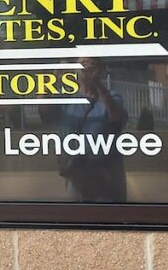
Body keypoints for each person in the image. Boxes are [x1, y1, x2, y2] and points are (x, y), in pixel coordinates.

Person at [42, 57, 127, 202]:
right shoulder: (67, 99)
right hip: (76, 174)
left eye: (92, 63)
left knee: (113, 217)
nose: (87, 67)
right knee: (79, 216)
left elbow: (117, 116)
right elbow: (43, 110)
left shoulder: (112, 97)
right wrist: (54, 78)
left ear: (100, 70)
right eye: (82, 63)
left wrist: (97, 84)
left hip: (107, 172)